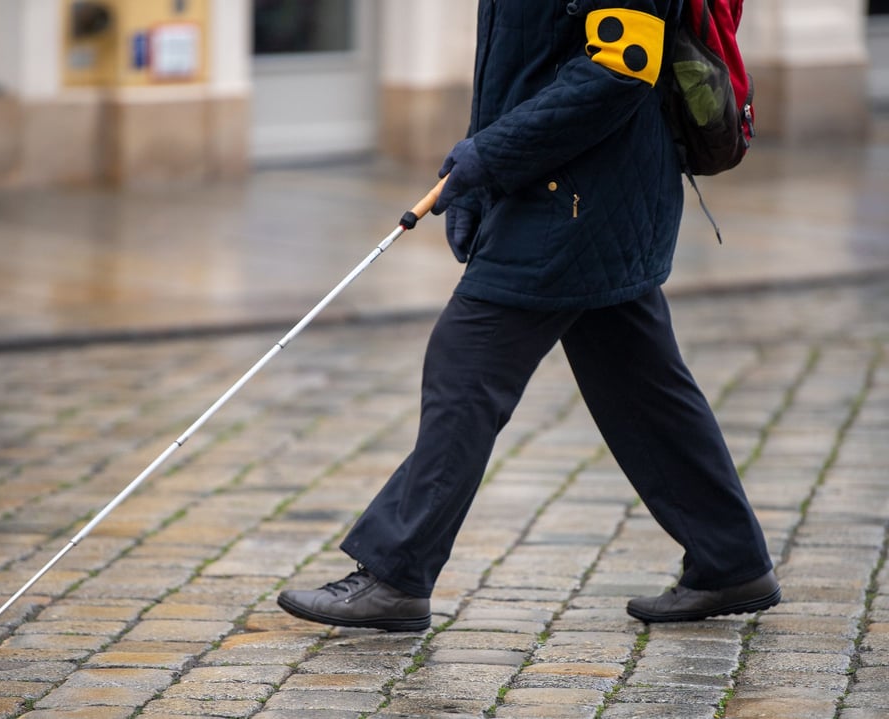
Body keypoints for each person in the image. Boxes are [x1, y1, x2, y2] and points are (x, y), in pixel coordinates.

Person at [277, 0, 780, 631]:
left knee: (467, 365)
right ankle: (731, 560)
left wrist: (491, 157)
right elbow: (519, 58)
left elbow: (621, 70)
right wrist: (479, 182)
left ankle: (396, 573)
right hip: (571, 187)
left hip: (581, 197)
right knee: (641, 384)